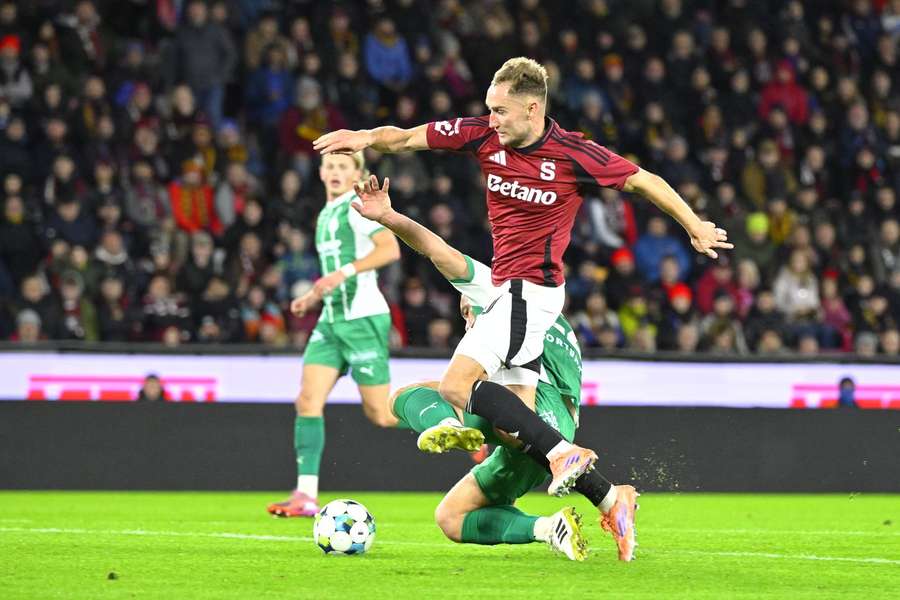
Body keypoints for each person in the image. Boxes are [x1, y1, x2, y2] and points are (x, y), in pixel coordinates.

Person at [314, 57, 731, 500]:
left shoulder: (572, 153)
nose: (491, 120)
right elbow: (408, 138)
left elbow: (645, 181)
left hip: (530, 291)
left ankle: (564, 453)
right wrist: (366, 137)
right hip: (507, 288)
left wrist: (694, 225)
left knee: (456, 386)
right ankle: (610, 497)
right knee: (515, 429)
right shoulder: (481, 135)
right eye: (489, 109)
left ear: (532, 109)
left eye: (500, 111)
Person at [351, 174, 638, 561]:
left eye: (466, 310)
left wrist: (389, 217)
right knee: (451, 517)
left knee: (428, 393)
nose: (467, 318)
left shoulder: (495, 293)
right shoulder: (541, 310)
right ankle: (550, 526)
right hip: (537, 430)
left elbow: (436, 249)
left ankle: (451, 425)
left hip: (541, 415)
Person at [266, 152, 400, 518]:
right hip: (330, 321)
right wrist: (312, 296)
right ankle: (306, 496)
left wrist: (342, 275)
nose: (337, 172)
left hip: (362, 320)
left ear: (358, 173)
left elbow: (390, 249)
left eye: (345, 167)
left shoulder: (357, 208)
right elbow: (333, 271)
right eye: (331, 167)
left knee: (382, 415)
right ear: (322, 172)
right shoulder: (326, 215)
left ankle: (455, 409)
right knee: (307, 400)